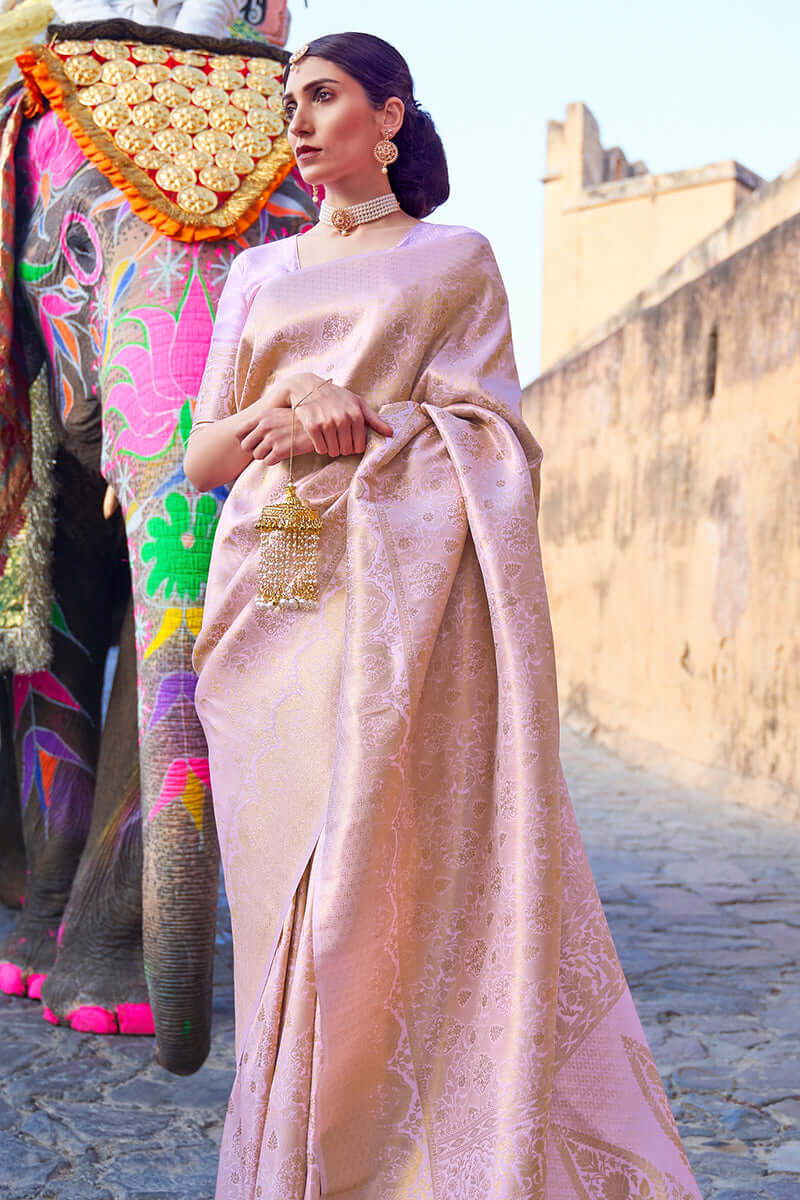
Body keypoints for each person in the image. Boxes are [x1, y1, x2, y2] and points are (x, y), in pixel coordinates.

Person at [185, 31, 703, 1200]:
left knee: (380, 877)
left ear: (391, 115)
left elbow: (496, 441)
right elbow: (204, 457)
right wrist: (280, 399)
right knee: (293, 913)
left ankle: (409, 1159)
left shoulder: (452, 258)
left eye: (322, 98)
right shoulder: (255, 276)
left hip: (399, 614)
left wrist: (362, 416)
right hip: (273, 599)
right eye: (290, 104)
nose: (300, 124)